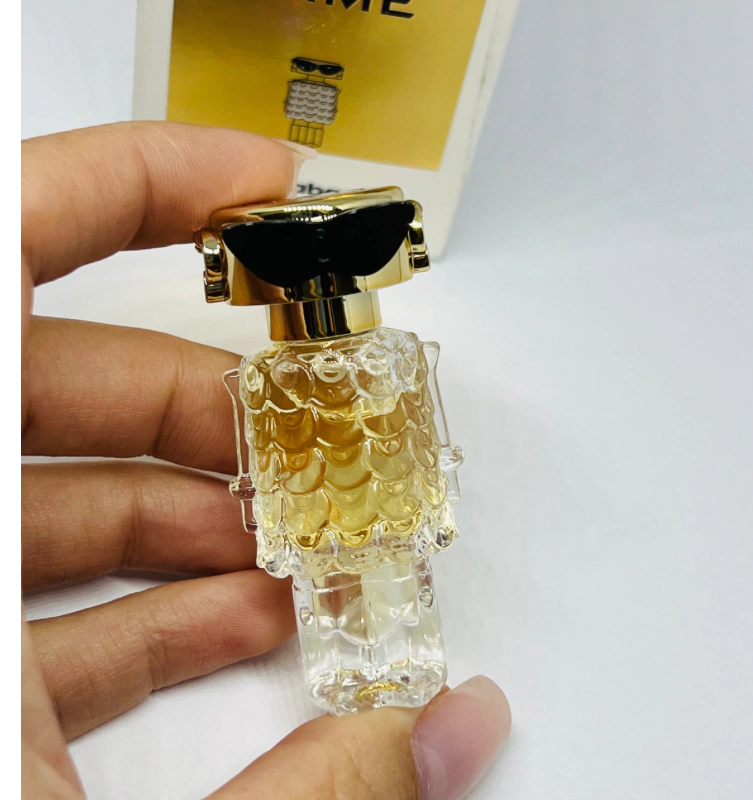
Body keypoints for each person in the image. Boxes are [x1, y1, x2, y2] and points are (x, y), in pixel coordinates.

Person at [21, 122, 511, 800]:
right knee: (336, 587)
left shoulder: (378, 358)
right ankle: (358, 686)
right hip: (330, 548)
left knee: (392, 572)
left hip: (391, 535)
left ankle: (388, 677)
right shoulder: (289, 374)